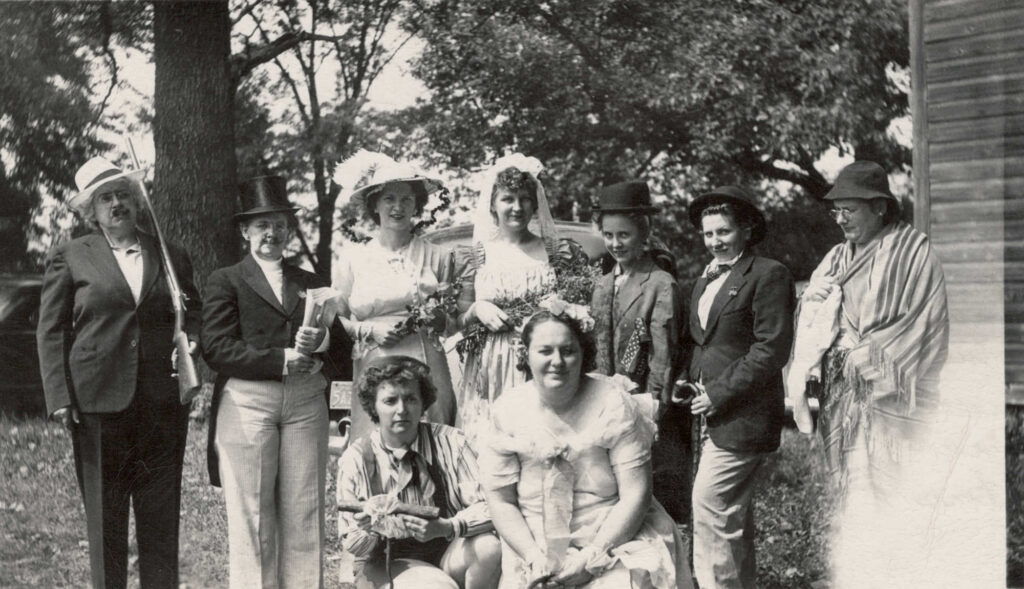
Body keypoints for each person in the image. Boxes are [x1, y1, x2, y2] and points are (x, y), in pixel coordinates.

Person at [36, 156, 200, 588]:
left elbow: (194, 311)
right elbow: (50, 330)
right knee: (106, 523)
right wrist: (59, 397)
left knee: (160, 518)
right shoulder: (70, 256)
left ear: (136, 200)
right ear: (91, 210)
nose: (116, 204)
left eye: (123, 194)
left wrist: (192, 346)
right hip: (97, 405)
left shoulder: (169, 253)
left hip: (161, 406)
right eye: (105, 198)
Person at [202, 175, 349, 588]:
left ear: (288, 229)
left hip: (305, 403)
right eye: (261, 224)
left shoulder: (311, 281)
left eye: (279, 223)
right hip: (248, 403)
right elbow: (216, 348)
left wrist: (319, 341)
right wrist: (280, 360)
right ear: (245, 231)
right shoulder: (226, 280)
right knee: (253, 516)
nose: (271, 233)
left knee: (304, 511)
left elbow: (338, 348)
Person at [480, 310, 693, 589]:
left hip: (615, 536)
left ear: (583, 352)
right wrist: (534, 558)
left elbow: (636, 495)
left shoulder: (613, 404)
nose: (557, 361)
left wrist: (593, 558)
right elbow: (501, 501)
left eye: (568, 351)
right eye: (545, 351)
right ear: (526, 354)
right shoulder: (507, 410)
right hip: (533, 545)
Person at [789, 160, 949, 499]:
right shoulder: (836, 257)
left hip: (895, 395)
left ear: (879, 207)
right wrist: (810, 299)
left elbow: (922, 322)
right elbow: (812, 319)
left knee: (896, 488)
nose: (840, 219)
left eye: (849, 210)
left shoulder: (914, 254)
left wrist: (860, 359)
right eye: (836, 211)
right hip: (840, 395)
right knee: (852, 489)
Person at [681, 186, 794, 589]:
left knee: (710, 506)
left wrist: (718, 392)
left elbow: (771, 350)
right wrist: (689, 383)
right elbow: (707, 342)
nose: (715, 241)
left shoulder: (768, 274)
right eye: (709, 234)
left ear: (747, 229)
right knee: (732, 518)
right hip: (711, 414)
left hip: (744, 413)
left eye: (724, 232)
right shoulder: (705, 279)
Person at [336, 355, 502, 589]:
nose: (401, 410)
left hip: (447, 549)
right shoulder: (356, 458)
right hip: (386, 562)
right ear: (373, 405)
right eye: (390, 401)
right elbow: (350, 541)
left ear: (423, 402)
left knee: (488, 549)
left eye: (411, 399)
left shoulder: (452, 442)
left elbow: (490, 506)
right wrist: (369, 528)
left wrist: (447, 527)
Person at [456, 154, 587, 446]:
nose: (517, 207)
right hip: (490, 364)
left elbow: (577, 315)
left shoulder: (557, 252)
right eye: (508, 199)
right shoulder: (475, 257)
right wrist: (478, 308)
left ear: (535, 203)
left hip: (543, 362)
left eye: (525, 199)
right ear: (492, 203)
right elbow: (459, 323)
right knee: (492, 444)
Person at [330, 151, 458, 442]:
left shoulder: (437, 256)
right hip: (374, 358)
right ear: (375, 204)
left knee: (431, 440)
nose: (398, 207)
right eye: (389, 199)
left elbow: (452, 324)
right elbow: (335, 320)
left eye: (406, 199)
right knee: (376, 443)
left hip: (426, 360)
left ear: (417, 205)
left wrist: (439, 318)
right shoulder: (353, 259)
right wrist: (368, 329)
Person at [589, 180, 690, 522]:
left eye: (624, 235)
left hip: (647, 405)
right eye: (609, 235)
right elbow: (599, 348)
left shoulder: (660, 284)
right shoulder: (602, 285)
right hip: (608, 405)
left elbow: (664, 352)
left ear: (643, 234)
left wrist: (654, 409)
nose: (616, 244)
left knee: (656, 496)